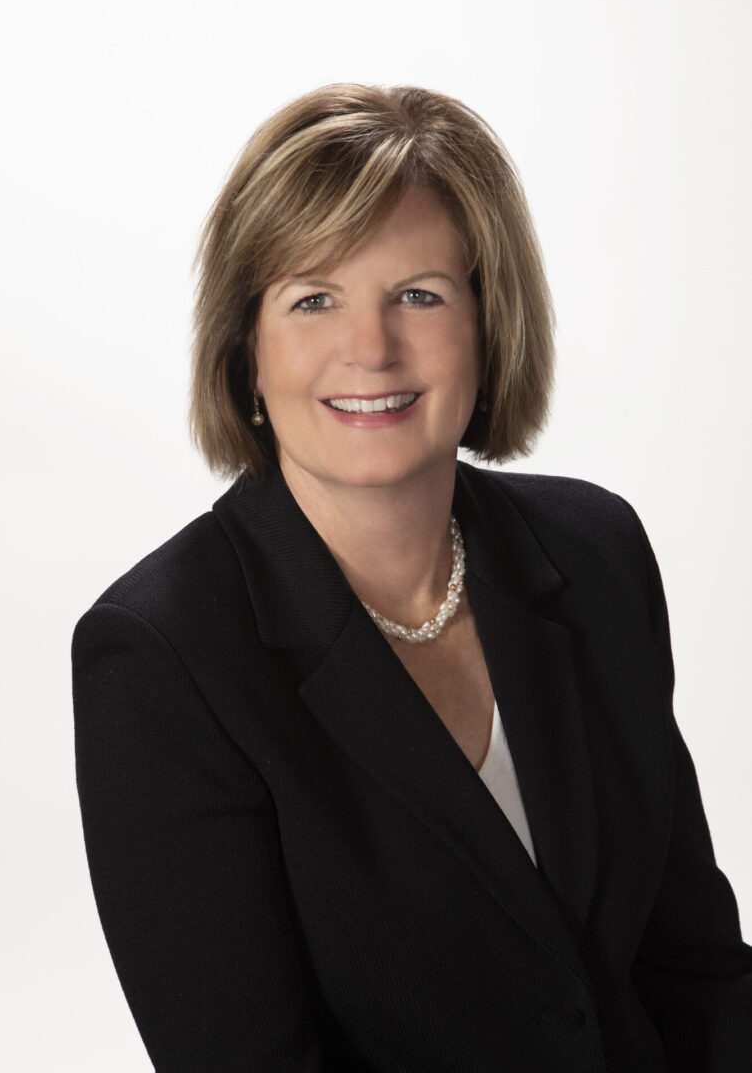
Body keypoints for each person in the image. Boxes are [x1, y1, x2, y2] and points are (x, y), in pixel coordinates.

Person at [71, 83, 752, 1072]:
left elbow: (695, 975)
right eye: (312, 299)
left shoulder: (593, 550)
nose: (370, 349)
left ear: (487, 318)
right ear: (243, 350)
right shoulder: (165, 654)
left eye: (419, 294)